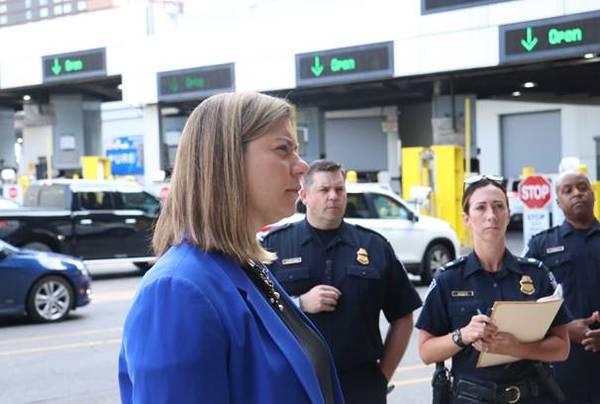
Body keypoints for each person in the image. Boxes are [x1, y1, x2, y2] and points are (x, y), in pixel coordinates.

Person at [118, 92, 345, 404]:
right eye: (283, 149)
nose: (301, 165)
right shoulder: (178, 290)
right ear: (226, 162)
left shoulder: (243, 266)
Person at [262, 160, 422, 404]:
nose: (334, 197)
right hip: (296, 381)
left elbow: (403, 316)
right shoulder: (275, 246)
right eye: (324, 190)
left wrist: (381, 377)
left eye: (340, 189)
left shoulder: (373, 246)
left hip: (360, 384)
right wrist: (299, 303)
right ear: (304, 196)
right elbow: (256, 313)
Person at [416, 175, 571, 404]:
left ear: (508, 215)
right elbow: (426, 352)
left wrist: (517, 347)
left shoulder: (536, 274)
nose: (491, 215)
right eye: (481, 208)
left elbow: (562, 347)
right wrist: (463, 335)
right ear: (466, 218)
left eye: (499, 207)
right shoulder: (448, 279)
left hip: (531, 395)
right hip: (471, 397)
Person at [525, 170, 600, 404]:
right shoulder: (541, 246)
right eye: (568, 190)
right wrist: (565, 329)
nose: (577, 193)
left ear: (593, 194)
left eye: (582, 187)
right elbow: (525, 306)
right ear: (558, 202)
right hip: (563, 364)